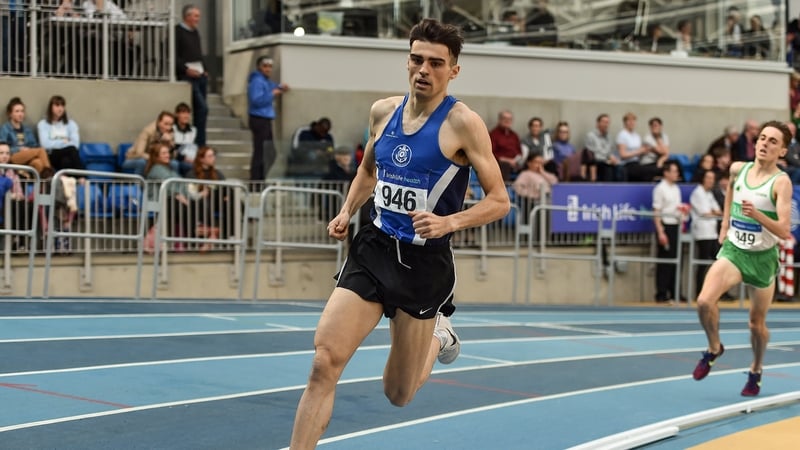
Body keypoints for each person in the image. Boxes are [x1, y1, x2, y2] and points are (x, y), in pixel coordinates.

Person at [289, 18, 510, 449]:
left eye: (436, 63)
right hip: (374, 249)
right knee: (323, 363)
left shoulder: (463, 123)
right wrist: (347, 210)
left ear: (453, 70)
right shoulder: (383, 112)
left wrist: (449, 222)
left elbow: (500, 200)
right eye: (416, 59)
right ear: (407, 61)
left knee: (399, 392)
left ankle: (440, 334)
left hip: (424, 264)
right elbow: (368, 171)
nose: (423, 69)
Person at [693, 120, 793, 397]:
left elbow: (784, 230)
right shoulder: (739, 168)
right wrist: (725, 224)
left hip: (762, 258)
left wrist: (757, 215)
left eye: (773, 141)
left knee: (755, 325)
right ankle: (714, 347)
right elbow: (731, 191)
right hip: (735, 251)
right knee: (704, 302)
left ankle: (756, 369)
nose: (765, 144)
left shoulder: (781, 182)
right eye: (762, 138)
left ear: (782, 151)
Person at [247, 55, 288, 184]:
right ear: (259, 67)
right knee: (261, 152)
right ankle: (256, 180)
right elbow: (256, 100)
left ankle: (260, 178)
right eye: (265, 66)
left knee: (270, 152)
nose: (268, 69)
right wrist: (272, 94)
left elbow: (271, 85)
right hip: (259, 118)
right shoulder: (257, 81)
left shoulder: (264, 81)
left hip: (265, 119)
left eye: (270, 66)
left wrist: (279, 87)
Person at [175, 4, 208, 146]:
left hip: (200, 76)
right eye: (196, 16)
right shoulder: (177, 31)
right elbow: (173, 55)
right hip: (187, 76)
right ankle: (199, 144)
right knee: (202, 107)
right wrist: (185, 69)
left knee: (202, 111)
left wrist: (205, 69)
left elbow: (198, 53)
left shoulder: (195, 33)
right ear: (187, 16)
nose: (198, 19)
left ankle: (200, 143)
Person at [652, 160, 684, 303]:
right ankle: (662, 293)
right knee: (665, 261)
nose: (676, 174)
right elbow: (657, 211)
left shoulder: (676, 188)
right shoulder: (660, 189)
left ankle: (675, 292)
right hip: (666, 226)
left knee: (677, 260)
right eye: (674, 171)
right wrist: (660, 232)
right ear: (666, 173)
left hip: (676, 224)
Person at [0, 98, 54, 178]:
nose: (20, 114)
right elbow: (2, 146)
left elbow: (34, 145)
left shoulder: (27, 129)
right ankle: (51, 176)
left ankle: (43, 184)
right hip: (13, 156)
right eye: (17, 111)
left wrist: (29, 150)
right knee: (41, 150)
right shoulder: (5, 128)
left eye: (22, 111)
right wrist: (19, 149)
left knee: (38, 163)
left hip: (28, 156)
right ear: (10, 114)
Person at [690, 169, 722, 295]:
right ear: (703, 178)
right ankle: (699, 292)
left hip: (712, 232)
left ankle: (715, 292)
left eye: (712, 178)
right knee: (702, 263)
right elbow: (705, 213)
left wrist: (713, 212)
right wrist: (713, 212)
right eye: (708, 178)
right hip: (702, 233)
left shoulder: (709, 194)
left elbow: (718, 211)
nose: (711, 181)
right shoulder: (697, 193)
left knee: (718, 262)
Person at [37, 95, 85, 173]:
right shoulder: (43, 124)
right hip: (51, 154)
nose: (60, 108)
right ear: (51, 107)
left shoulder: (71, 124)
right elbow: (45, 144)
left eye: (62, 105)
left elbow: (75, 144)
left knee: (66, 160)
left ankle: (66, 178)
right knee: (71, 150)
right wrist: (63, 142)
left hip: (67, 155)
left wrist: (55, 143)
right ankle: (82, 176)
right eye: (57, 105)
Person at [124, 111, 177, 175]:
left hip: (157, 159)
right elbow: (139, 153)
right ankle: (138, 181)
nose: (168, 127)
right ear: (158, 122)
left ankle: (173, 181)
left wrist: (170, 143)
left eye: (171, 125)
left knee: (174, 163)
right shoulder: (148, 131)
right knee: (142, 162)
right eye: (166, 124)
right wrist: (156, 159)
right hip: (134, 158)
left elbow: (174, 156)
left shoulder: (171, 132)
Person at [489, 110, 522, 181]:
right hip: (500, 163)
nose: (507, 121)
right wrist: (508, 160)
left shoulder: (514, 135)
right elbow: (491, 152)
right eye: (505, 118)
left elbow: (519, 152)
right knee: (505, 165)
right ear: (499, 120)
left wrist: (515, 160)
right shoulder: (493, 134)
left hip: (515, 162)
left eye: (509, 119)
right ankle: (504, 186)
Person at [173, 102, 198, 176]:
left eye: (188, 113)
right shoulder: (172, 128)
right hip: (176, 157)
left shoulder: (193, 130)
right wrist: (184, 158)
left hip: (190, 157)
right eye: (183, 112)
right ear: (177, 114)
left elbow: (192, 147)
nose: (186, 116)